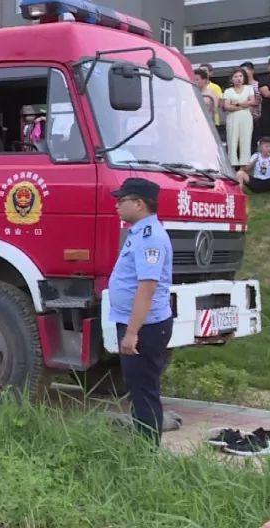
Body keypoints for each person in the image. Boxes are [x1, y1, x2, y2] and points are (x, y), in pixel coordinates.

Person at [108, 178, 173, 446]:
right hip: (137, 323)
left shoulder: (150, 238)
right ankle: (142, 444)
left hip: (144, 327)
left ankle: (147, 454)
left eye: (122, 200)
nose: (116, 205)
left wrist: (132, 332)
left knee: (144, 391)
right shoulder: (139, 232)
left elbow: (146, 288)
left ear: (139, 204)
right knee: (137, 389)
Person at [236, 137, 270, 205]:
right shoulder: (256, 155)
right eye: (266, 146)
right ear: (260, 147)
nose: (269, 148)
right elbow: (246, 168)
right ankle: (238, 195)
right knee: (240, 173)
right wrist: (254, 161)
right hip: (256, 181)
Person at [222, 69, 255, 166]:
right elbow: (227, 106)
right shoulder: (228, 91)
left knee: (246, 139)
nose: (238, 79)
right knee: (232, 139)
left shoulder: (249, 88)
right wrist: (241, 107)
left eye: (240, 76)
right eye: (236, 77)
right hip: (232, 117)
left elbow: (252, 101)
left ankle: (245, 163)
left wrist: (237, 103)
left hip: (246, 117)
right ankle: (232, 163)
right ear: (232, 79)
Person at [197, 67, 223, 139]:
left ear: (204, 80)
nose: (195, 81)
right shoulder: (193, 92)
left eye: (197, 79)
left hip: (209, 122)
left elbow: (216, 108)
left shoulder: (212, 93)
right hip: (196, 122)